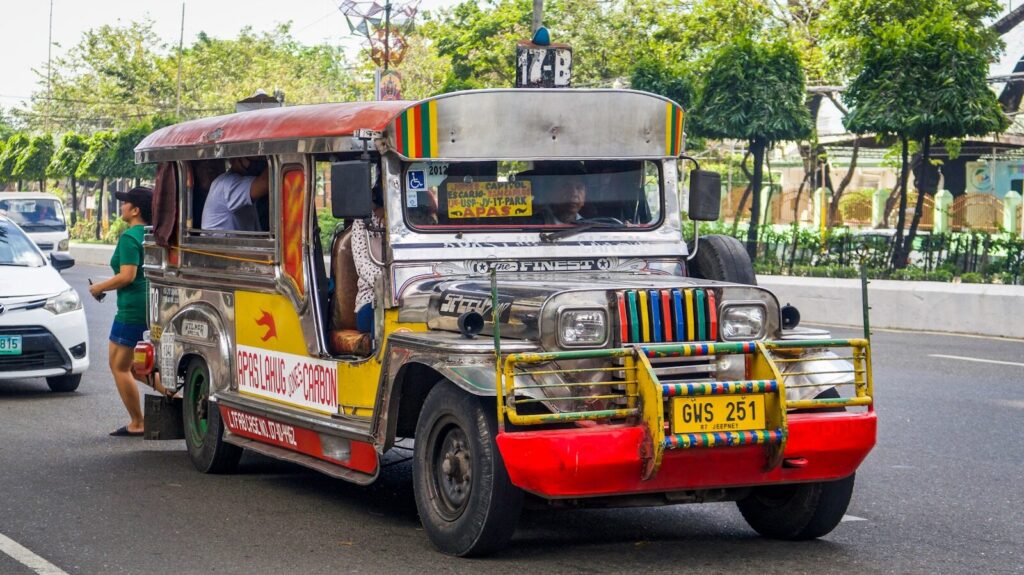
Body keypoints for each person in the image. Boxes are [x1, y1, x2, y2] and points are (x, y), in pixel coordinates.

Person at [89, 187, 169, 437]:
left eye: (126, 203)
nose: (122, 207)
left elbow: (127, 276)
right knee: (136, 366)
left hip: (132, 309)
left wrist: (99, 287)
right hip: (150, 304)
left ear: (135, 210)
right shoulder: (153, 234)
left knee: (119, 365)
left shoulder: (129, 237)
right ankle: (177, 396)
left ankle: (138, 422)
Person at [351, 178, 385, 339]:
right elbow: (363, 265)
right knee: (382, 315)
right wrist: (388, 286)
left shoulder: (415, 221)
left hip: (414, 298)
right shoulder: (363, 222)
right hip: (372, 298)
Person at [200, 156, 269, 231]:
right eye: (254, 158)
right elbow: (265, 183)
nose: (258, 162)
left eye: (261, 159)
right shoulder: (228, 184)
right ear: (236, 160)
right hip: (221, 242)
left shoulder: (244, 182)